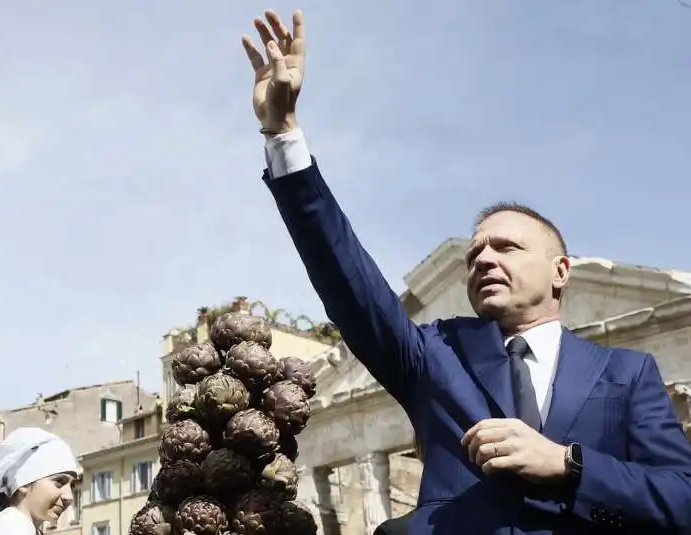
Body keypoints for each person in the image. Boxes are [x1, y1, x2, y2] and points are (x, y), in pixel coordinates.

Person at [241, 9, 691, 534]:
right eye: (475, 254)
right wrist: (284, 134)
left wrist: (568, 465)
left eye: (507, 247)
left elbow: (681, 498)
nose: (484, 260)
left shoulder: (626, 374)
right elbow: (350, 282)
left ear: (560, 271)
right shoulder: (436, 355)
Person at [0, 427, 78, 535]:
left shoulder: (15, 527)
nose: (69, 497)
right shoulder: (12, 529)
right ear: (22, 484)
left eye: (72, 485)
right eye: (59, 481)